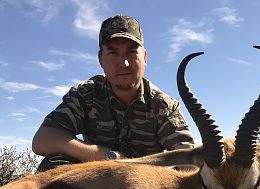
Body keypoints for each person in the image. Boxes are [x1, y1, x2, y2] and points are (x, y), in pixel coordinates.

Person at [32, 14, 195, 171]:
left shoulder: (164, 105)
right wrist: (109, 157)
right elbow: (42, 139)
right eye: (113, 53)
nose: (123, 63)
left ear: (144, 57)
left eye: (131, 52)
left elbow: (189, 163)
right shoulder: (86, 94)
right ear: (100, 59)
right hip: (97, 185)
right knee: (53, 164)